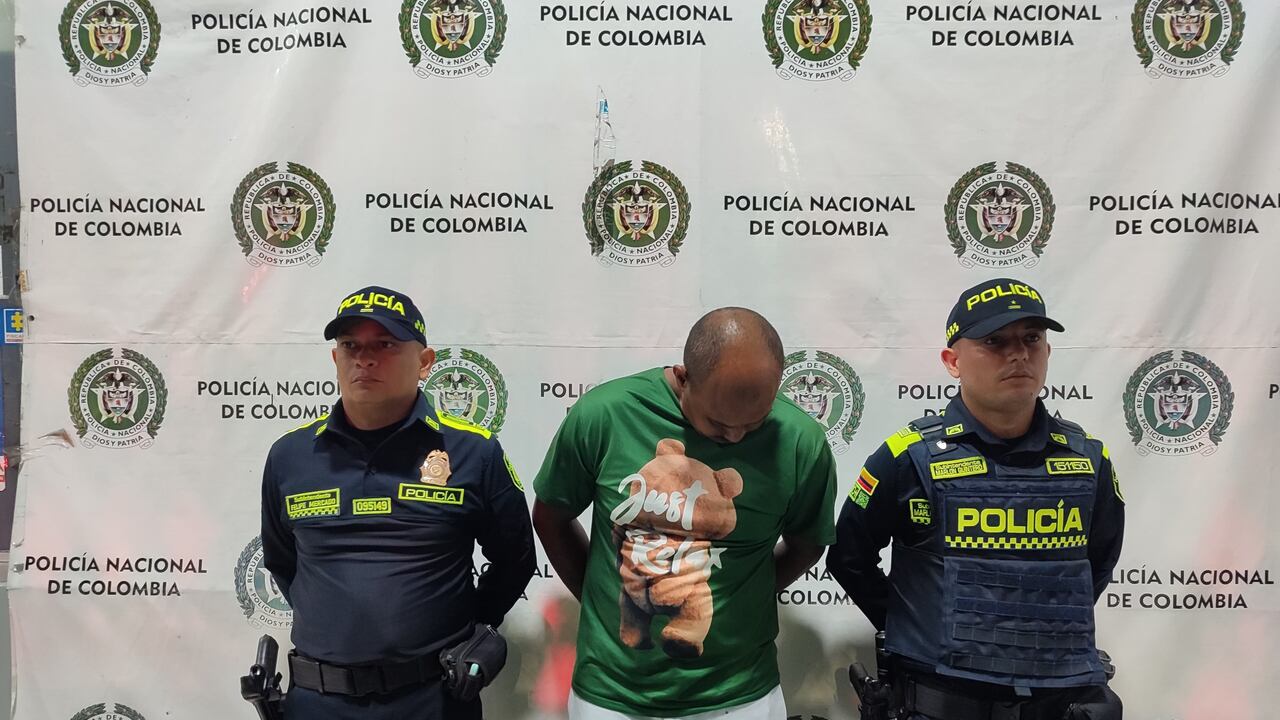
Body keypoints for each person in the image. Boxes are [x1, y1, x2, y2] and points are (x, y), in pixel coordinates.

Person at [828, 278, 1125, 720]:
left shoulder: (1088, 462)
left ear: (1047, 352)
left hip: (1058, 702)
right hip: (940, 698)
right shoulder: (908, 457)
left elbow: (1096, 564)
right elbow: (849, 556)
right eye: (995, 341)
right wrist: (914, 627)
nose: (1018, 353)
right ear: (953, 361)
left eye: (1032, 339)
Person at [532, 307, 838, 720]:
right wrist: (604, 597)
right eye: (716, 423)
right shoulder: (604, 415)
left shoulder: (801, 442)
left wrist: (743, 600)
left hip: (740, 696)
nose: (734, 435)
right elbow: (550, 517)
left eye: (755, 422)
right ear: (682, 377)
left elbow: (807, 544)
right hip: (612, 695)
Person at [260, 285, 536, 719]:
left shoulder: (472, 451)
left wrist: (471, 629)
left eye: (385, 344)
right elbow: (282, 561)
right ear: (335, 359)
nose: (365, 358)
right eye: (351, 345)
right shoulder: (290, 455)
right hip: (317, 701)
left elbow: (515, 558)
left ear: (425, 362)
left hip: (431, 698)